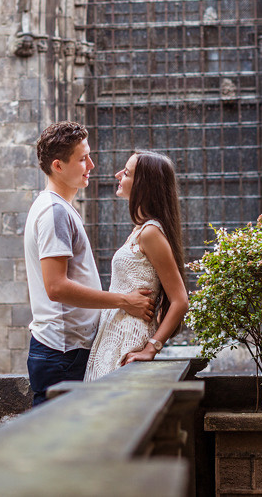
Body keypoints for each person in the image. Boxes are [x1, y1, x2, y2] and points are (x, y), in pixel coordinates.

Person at [23, 122, 154, 406]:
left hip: (65, 352)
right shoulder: (54, 212)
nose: (91, 165)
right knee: (58, 445)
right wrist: (124, 301)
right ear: (58, 166)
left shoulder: (58, 207)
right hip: (63, 353)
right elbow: (56, 287)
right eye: (82, 159)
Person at [84, 150, 189, 381]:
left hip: (127, 339)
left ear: (144, 185)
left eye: (127, 172)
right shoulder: (141, 230)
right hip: (112, 335)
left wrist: (152, 347)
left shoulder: (151, 232)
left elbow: (180, 300)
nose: (118, 174)